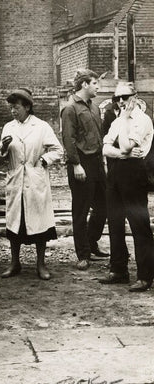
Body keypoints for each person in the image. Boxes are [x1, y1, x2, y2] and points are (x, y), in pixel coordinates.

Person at [0, 89, 63, 280]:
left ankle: (41, 265)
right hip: (16, 178)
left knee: (39, 224)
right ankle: (15, 263)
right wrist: (4, 147)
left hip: (35, 179)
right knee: (15, 224)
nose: (13, 111)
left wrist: (43, 160)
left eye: (16, 107)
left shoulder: (41, 127)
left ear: (27, 107)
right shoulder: (8, 127)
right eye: (11, 108)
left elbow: (58, 150)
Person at [99, 82, 154, 292]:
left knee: (139, 225)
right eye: (117, 98)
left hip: (134, 174)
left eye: (124, 97)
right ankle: (119, 269)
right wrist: (123, 153)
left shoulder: (143, 120)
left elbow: (123, 145)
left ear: (135, 96)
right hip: (115, 174)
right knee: (114, 222)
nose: (121, 102)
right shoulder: (117, 119)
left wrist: (122, 150)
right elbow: (105, 148)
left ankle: (146, 276)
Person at [61, 69, 109, 271]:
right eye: (95, 83)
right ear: (84, 85)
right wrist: (76, 164)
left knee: (104, 205)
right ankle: (83, 254)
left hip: (98, 162)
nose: (98, 87)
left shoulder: (95, 107)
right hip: (81, 164)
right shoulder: (70, 108)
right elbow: (68, 140)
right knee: (80, 210)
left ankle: (91, 244)